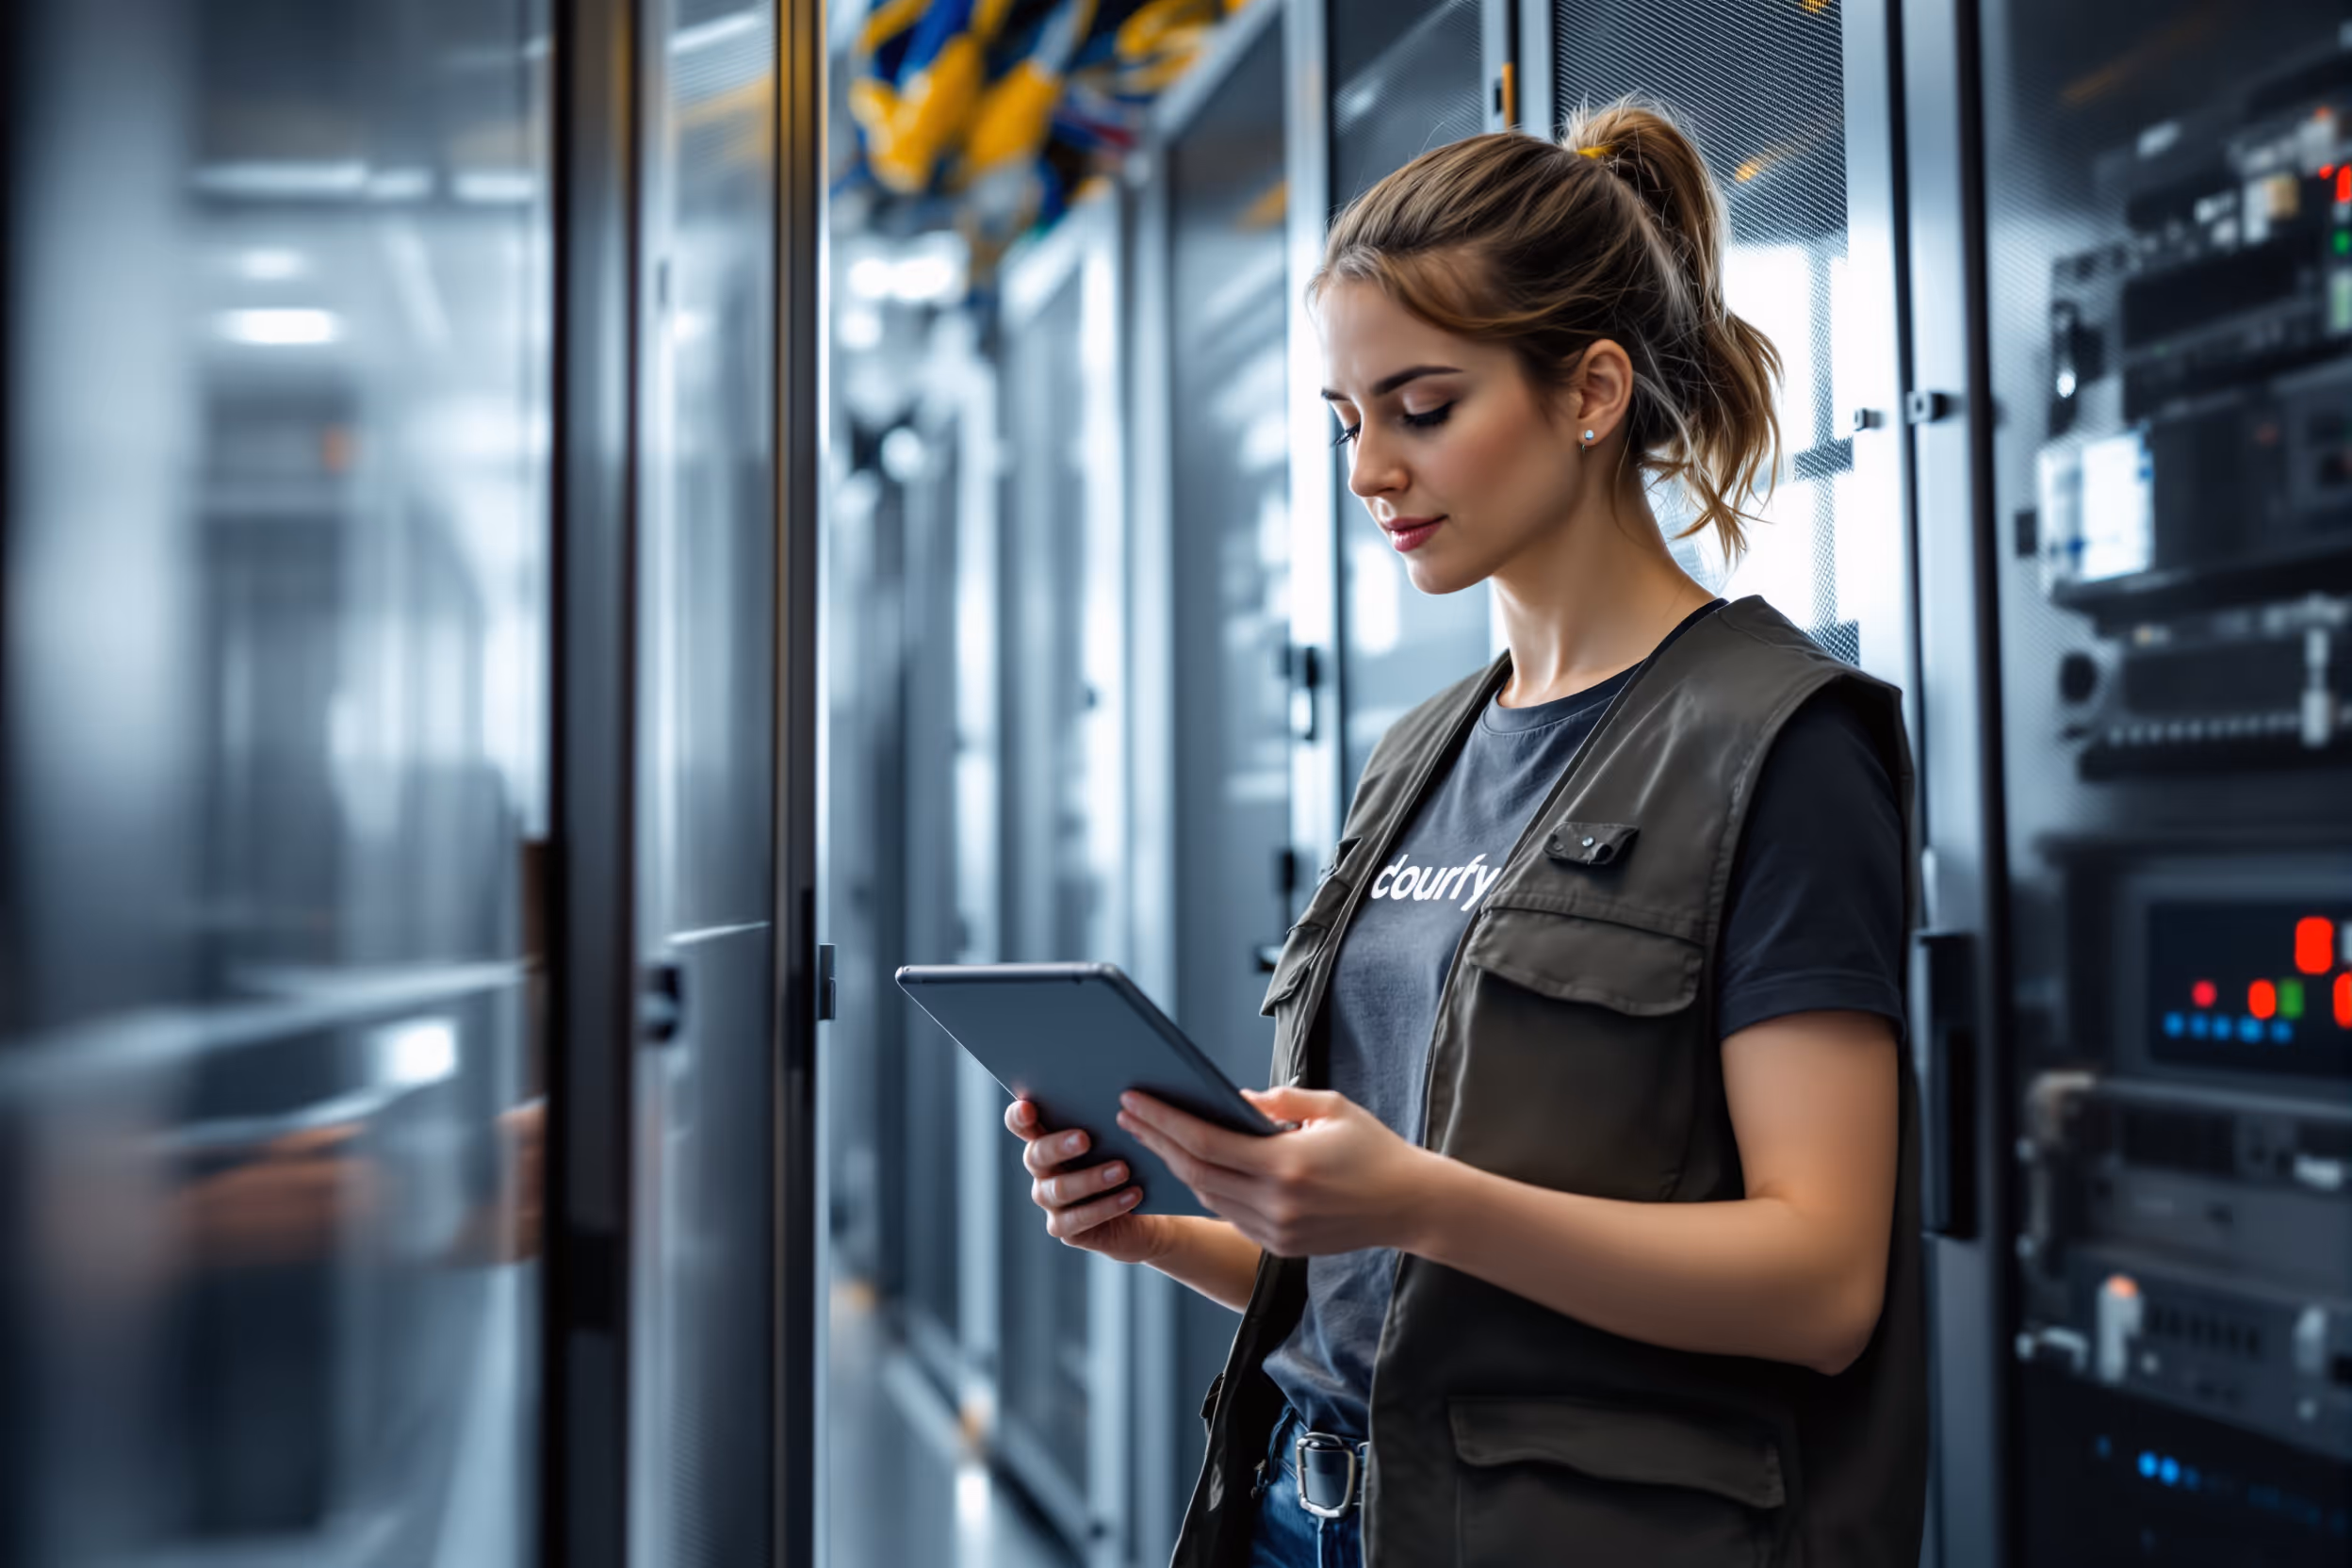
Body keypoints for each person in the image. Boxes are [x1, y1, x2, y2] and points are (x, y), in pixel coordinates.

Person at [1007, 98, 1924, 1567]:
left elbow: (1820, 1286)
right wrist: (1173, 1227)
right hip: (1306, 1515)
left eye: (1423, 409)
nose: (1372, 470)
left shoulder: (1779, 748)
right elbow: (1396, 1274)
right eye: (1349, 421)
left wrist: (1419, 1198)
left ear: (1591, 392)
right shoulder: (1418, 755)